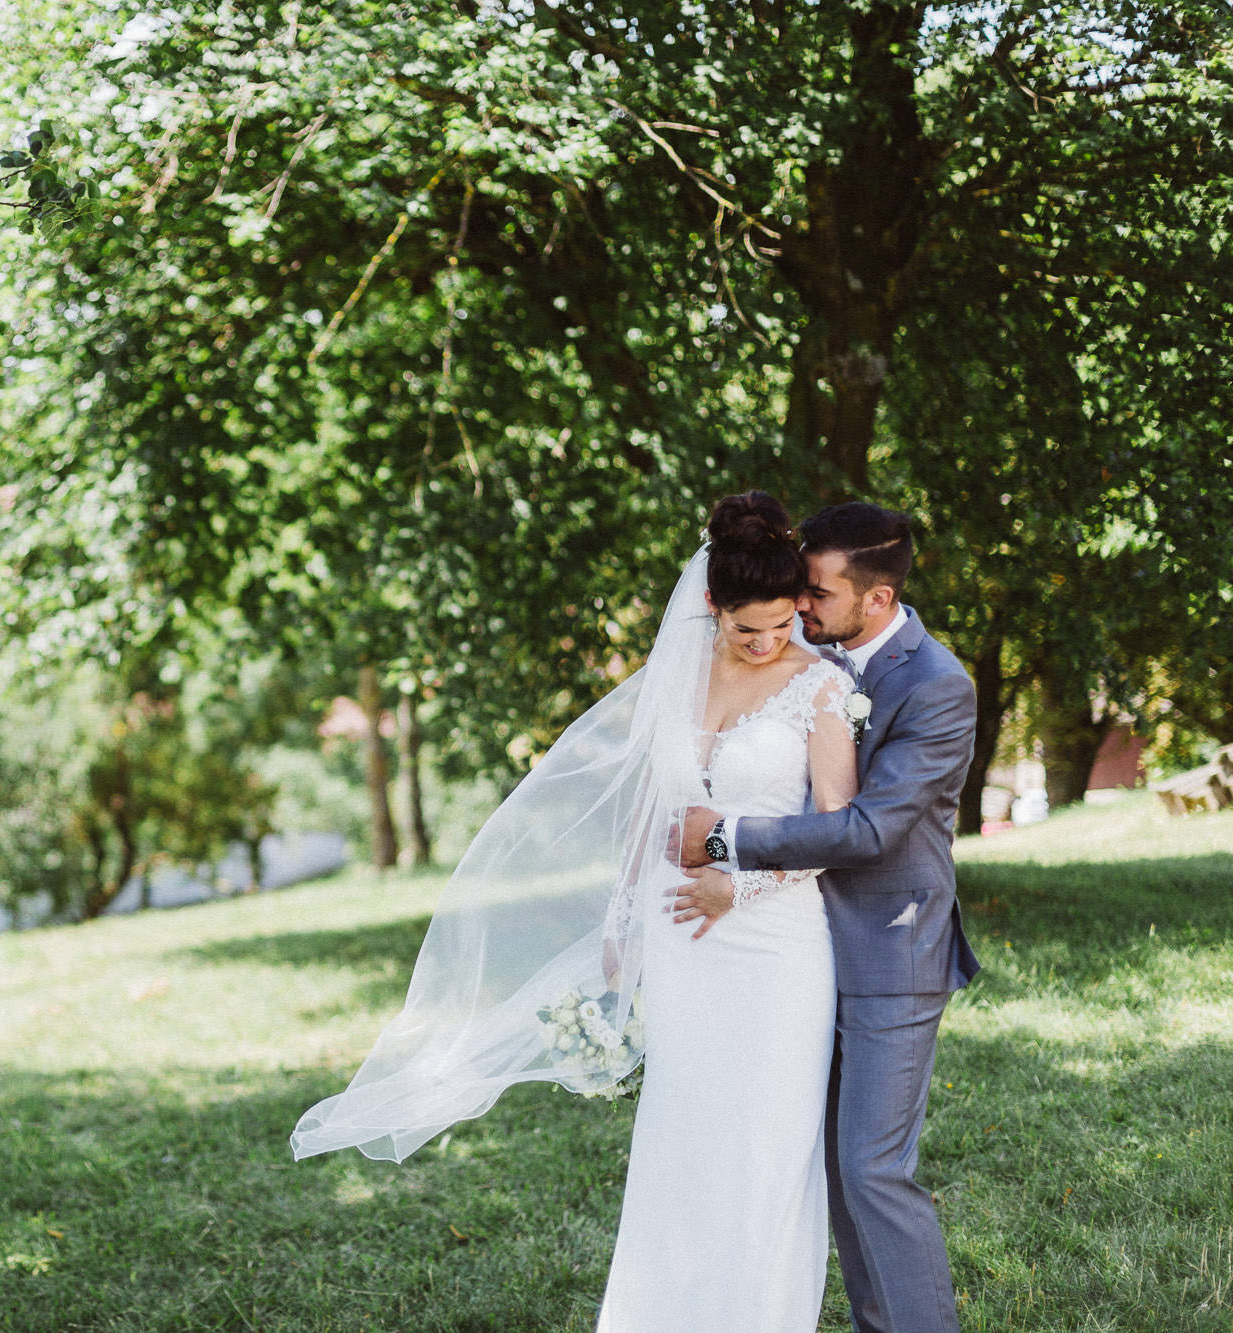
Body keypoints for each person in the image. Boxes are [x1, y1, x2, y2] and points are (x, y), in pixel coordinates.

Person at [289, 491, 867, 1330]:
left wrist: (736, 881)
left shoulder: (818, 687)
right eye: (751, 628)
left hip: (777, 952)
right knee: (681, 1146)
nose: (771, 641)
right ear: (712, 607)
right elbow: (647, 809)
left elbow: (835, 828)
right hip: (680, 951)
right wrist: (620, 923)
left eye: (784, 623)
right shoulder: (679, 677)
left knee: (768, 1152)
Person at [674, 500, 981, 1333]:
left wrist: (728, 841)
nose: (801, 605)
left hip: (892, 954)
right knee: (833, 1174)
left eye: (817, 591)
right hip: (800, 955)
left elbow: (874, 828)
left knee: (873, 1170)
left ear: (875, 599)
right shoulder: (807, 658)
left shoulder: (937, 684)